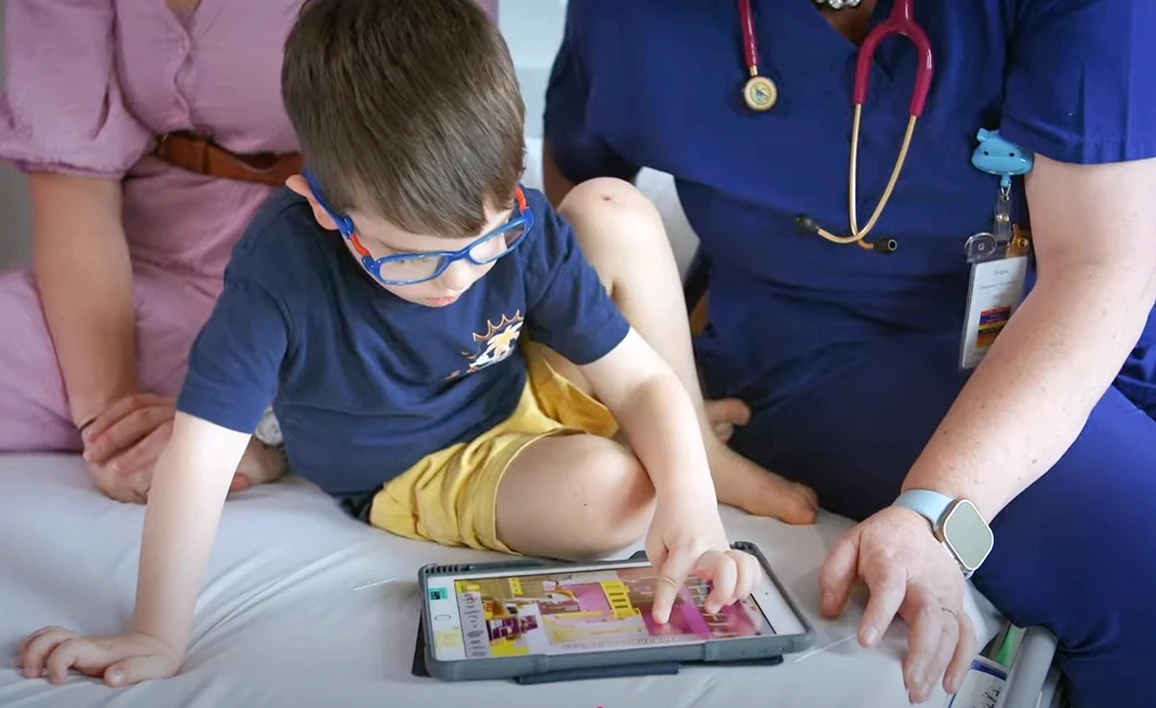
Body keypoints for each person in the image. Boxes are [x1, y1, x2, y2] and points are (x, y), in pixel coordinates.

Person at [12, 0, 806, 687]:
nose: (455, 280)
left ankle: (705, 454)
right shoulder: (279, 269)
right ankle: (292, 441)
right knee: (617, 496)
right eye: (410, 259)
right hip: (417, 461)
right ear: (322, 206)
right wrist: (158, 631)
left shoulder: (520, 224)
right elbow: (197, 457)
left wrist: (694, 506)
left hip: (515, 375)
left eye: (484, 243)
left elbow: (641, 381)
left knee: (613, 209)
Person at [540, 1, 1156, 706]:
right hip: (826, 344)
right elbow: (581, 188)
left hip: (1083, 298)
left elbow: (1104, 266)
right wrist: (938, 509)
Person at [0, 0, 498, 501]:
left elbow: (430, 204)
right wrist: (112, 426)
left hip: (332, 292)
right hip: (125, 277)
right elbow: (72, 185)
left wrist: (264, 433)